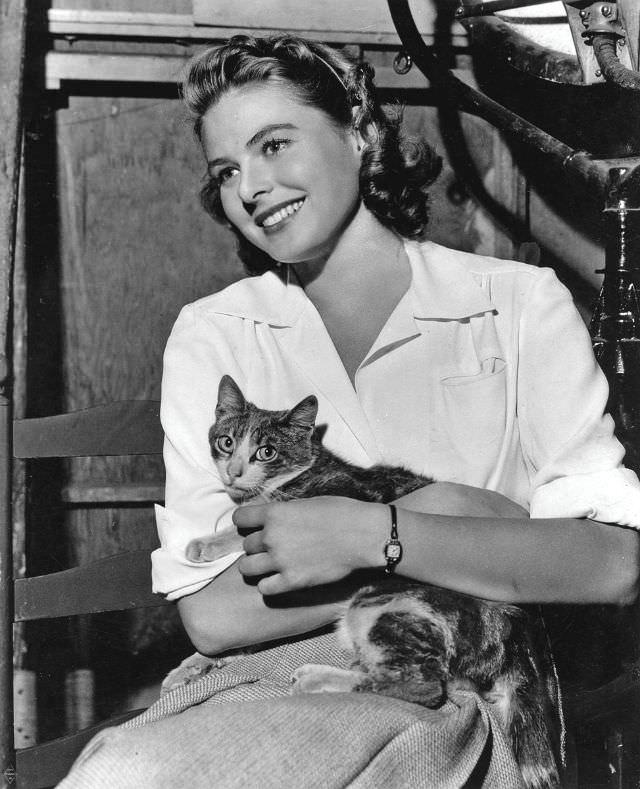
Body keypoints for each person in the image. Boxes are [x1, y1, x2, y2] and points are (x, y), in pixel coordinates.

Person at [59, 33, 640, 788]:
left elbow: (611, 563)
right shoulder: (215, 332)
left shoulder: (515, 303)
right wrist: (460, 513)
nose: (252, 187)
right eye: (227, 170)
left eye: (274, 144)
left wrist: (376, 532)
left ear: (360, 133)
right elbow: (215, 615)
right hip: (252, 682)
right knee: (127, 773)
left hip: (448, 675)